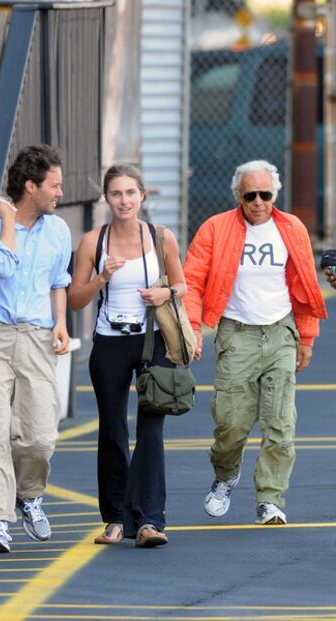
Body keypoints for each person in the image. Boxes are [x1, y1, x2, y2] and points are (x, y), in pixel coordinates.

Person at [183, 160, 327, 525]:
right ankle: (225, 475)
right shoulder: (215, 229)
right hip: (236, 334)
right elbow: (193, 281)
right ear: (239, 195)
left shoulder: (291, 228)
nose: (259, 202)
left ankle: (270, 498)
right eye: (251, 195)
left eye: (266, 194)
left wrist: (305, 337)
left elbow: (306, 287)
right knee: (230, 424)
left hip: (280, 332)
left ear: (274, 194)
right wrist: (193, 329)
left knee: (280, 425)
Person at [69, 164, 186, 547]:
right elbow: (75, 300)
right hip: (109, 341)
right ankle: (116, 518)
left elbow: (182, 284)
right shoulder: (92, 241)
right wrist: (101, 278)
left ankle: (150, 521)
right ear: (107, 197)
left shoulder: (161, 237)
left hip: (152, 340)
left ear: (142, 196)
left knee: (151, 430)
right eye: (116, 193)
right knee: (113, 430)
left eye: (130, 193)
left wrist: (165, 294)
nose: (123, 200)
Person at [0, 144, 72, 553]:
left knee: (41, 435)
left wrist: (60, 322)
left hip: (38, 335)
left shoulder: (59, 229)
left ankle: (29, 495)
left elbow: (58, 280)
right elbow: (3, 265)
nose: (60, 192)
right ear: (31, 186)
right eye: (55, 185)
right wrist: (9, 219)